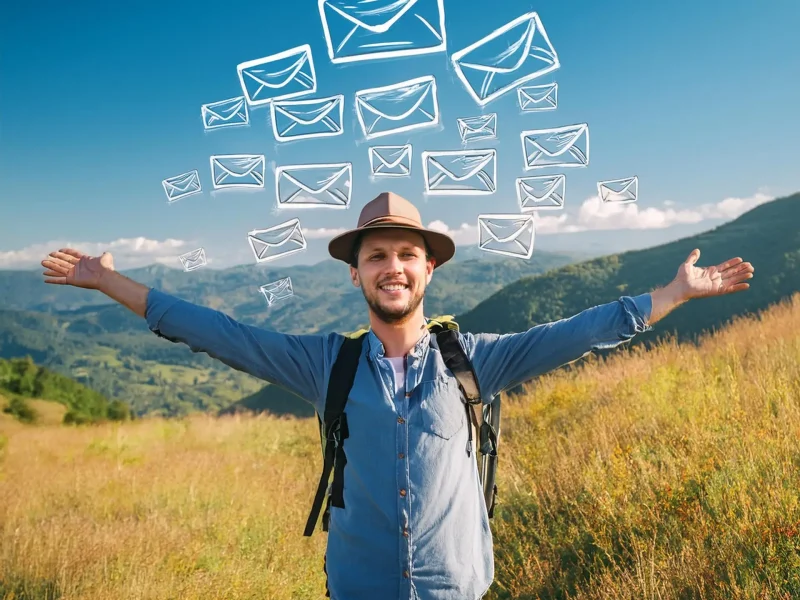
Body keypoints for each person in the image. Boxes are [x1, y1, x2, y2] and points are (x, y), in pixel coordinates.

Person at [40, 191, 754, 600]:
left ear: (428, 270)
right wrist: (112, 282)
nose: (393, 268)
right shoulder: (327, 366)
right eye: (376, 256)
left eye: (407, 255)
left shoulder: (475, 361)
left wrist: (667, 297)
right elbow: (218, 332)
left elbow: (577, 332)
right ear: (355, 274)